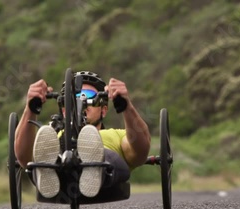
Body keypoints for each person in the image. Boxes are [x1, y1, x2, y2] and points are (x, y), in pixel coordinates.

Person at [14, 71, 150, 198]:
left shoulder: (116, 135)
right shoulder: (51, 137)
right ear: (63, 111)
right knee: (43, 152)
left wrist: (126, 106)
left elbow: (139, 153)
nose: (81, 100)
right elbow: (25, 158)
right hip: (61, 170)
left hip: (107, 172)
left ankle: (94, 165)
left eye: (88, 94)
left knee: (107, 156)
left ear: (103, 110)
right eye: (74, 97)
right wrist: (31, 107)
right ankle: (50, 168)